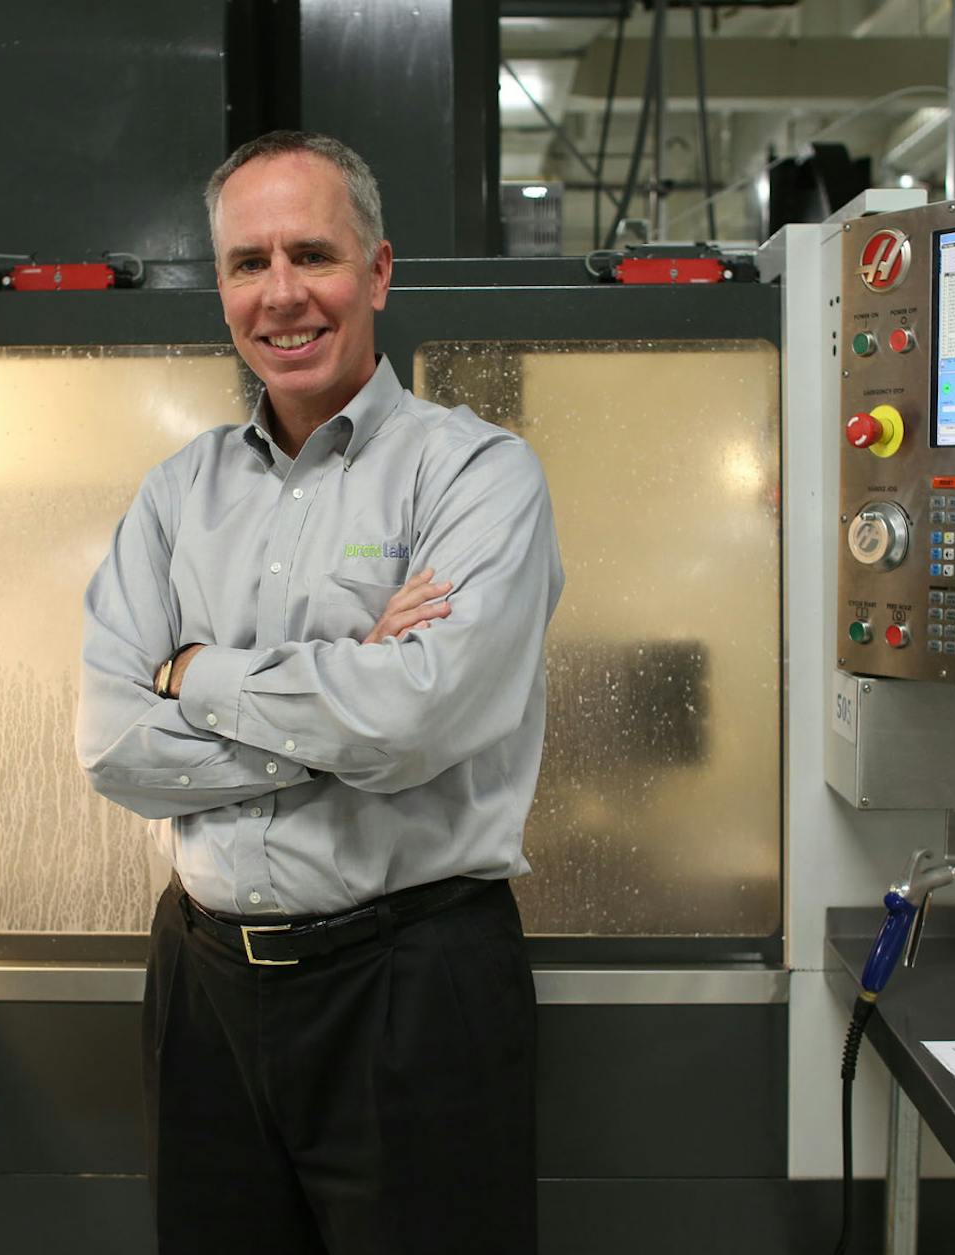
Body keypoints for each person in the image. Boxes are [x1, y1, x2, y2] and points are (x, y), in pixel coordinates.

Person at [74, 130, 563, 1255]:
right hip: (202, 989)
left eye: (313, 255)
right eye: (249, 263)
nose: (282, 294)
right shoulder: (175, 493)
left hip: (413, 986)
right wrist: (351, 706)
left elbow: (419, 717)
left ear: (378, 272)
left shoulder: (478, 475)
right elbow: (111, 743)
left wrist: (196, 676)